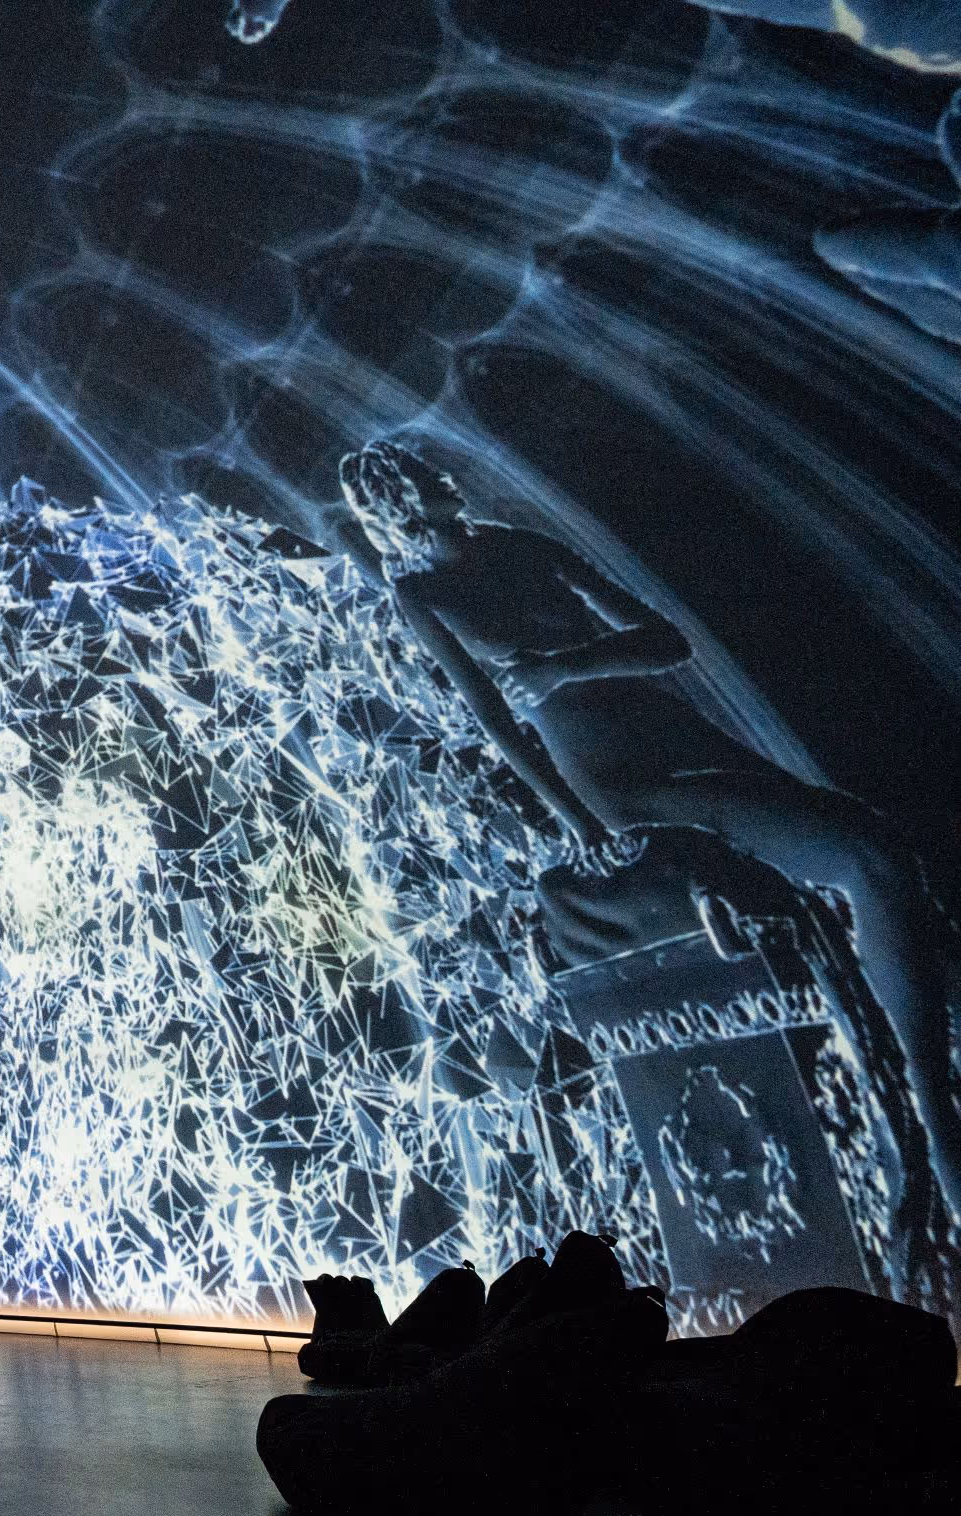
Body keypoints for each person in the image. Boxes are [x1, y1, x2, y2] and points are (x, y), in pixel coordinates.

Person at [338, 443, 961, 1286]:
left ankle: (931, 1108)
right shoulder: (418, 591)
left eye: (425, 466)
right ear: (395, 506)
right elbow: (494, 718)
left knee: (877, 853)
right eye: (409, 478)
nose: (436, 477)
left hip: (675, 734)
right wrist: (578, 824)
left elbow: (667, 643)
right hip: (615, 778)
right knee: (862, 855)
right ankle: (933, 1136)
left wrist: (568, 663)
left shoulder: (526, 546)